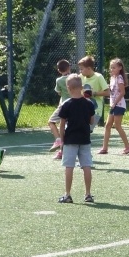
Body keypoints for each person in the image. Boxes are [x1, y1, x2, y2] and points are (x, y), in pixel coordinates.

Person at [57, 74, 96, 203]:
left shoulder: (66, 104)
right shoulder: (89, 103)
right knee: (86, 166)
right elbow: (91, 121)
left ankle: (67, 194)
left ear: (68, 88)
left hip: (70, 140)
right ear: (81, 87)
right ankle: (88, 194)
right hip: (85, 139)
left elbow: (62, 125)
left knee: (69, 167)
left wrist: (61, 140)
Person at [99, 58, 129, 154]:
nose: (111, 69)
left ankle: (128, 146)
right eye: (111, 67)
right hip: (113, 105)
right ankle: (104, 148)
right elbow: (111, 91)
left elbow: (122, 92)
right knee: (108, 125)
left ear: (120, 68)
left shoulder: (119, 78)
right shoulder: (112, 78)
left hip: (119, 105)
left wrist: (115, 103)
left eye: (114, 67)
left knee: (117, 126)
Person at [77, 55, 109, 133]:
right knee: (79, 130)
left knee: (85, 131)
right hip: (83, 109)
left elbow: (108, 92)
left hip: (96, 110)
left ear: (89, 68)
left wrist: (94, 93)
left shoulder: (98, 77)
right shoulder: (80, 77)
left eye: (81, 69)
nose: (80, 71)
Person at [48, 59, 72, 160]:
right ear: (69, 67)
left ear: (59, 70)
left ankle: (58, 140)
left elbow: (58, 92)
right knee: (67, 129)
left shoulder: (59, 80)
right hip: (74, 105)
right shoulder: (75, 78)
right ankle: (63, 151)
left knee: (51, 121)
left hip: (63, 105)